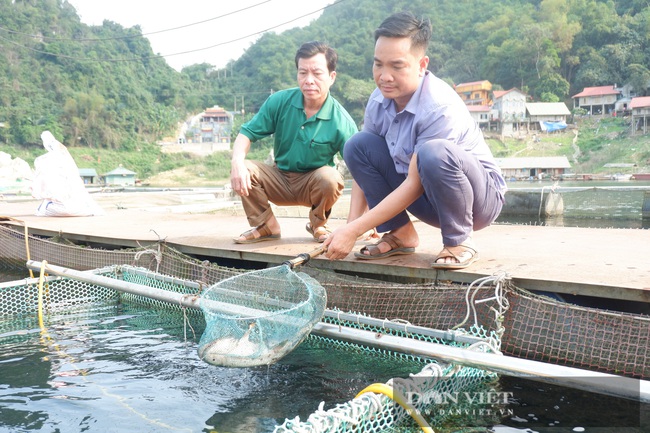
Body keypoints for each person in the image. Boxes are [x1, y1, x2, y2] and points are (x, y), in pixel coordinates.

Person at [323, 12, 507, 269]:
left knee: (434, 153)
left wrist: (353, 230)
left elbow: (413, 184)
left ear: (422, 65)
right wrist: (350, 228)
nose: (384, 76)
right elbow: (366, 167)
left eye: (397, 66)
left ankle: (459, 240)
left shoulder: (438, 106)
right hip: (428, 200)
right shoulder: (378, 100)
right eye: (378, 65)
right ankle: (400, 234)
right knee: (357, 145)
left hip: (478, 202)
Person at [230, 41, 358, 244]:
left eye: (317, 73)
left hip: (313, 183)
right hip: (279, 178)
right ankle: (267, 225)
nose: (309, 80)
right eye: (303, 73)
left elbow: (361, 170)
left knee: (331, 178)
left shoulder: (341, 121)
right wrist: (236, 163)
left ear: (331, 77)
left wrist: (361, 223)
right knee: (244, 167)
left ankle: (319, 225)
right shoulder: (280, 101)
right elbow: (246, 133)